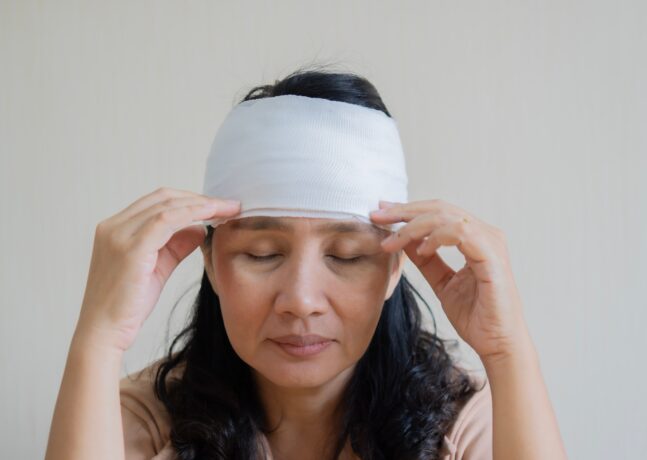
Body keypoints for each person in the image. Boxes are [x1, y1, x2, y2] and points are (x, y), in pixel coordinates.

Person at [45, 68, 568, 459]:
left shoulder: (460, 423)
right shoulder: (148, 419)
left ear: (392, 272)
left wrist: (507, 350)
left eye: (346, 256)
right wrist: (98, 338)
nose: (301, 300)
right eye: (262, 254)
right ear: (210, 261)